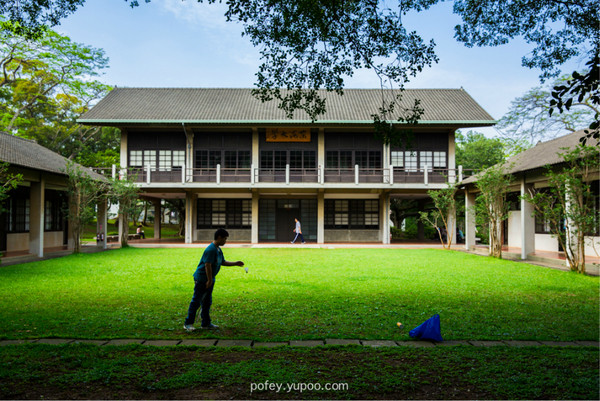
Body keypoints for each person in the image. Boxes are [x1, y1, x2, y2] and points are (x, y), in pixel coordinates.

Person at [183, 228, 244, 331]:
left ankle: (206, 323)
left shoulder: (218, 249)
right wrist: (209, 280)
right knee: (196, 301)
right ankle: (188, 323)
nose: (225, 241)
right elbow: (207, 265)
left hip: (209, 279)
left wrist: (235, 263)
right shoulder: (211, 249)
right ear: (219, 238)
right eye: (225, 239)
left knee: (207, 302)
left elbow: (222, 262)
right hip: (202, 279)